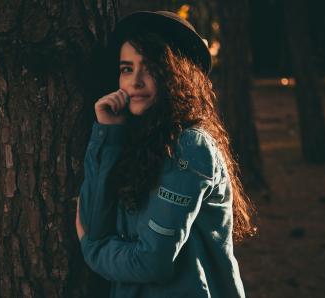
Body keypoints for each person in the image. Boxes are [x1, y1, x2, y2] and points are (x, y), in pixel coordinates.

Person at [75, 10, 255, 298]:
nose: (134, 82)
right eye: (126, 69)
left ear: (177, 75)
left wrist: (94, 251)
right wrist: (108, 135)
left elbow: (151, 262)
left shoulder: (190, 147)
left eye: (150, 68)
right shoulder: (134, 143)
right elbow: (95, 225)